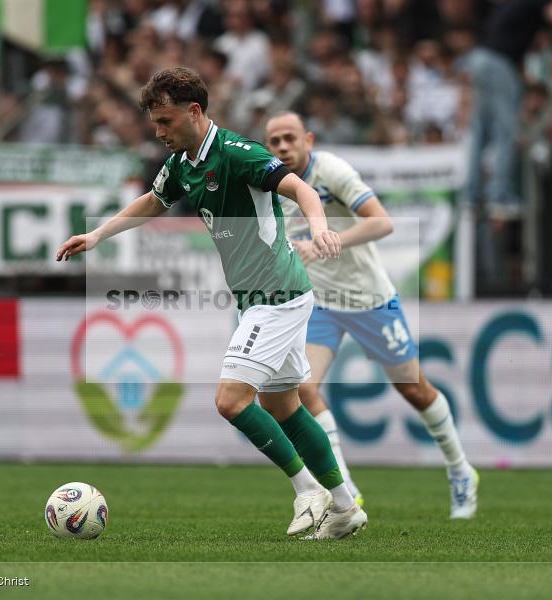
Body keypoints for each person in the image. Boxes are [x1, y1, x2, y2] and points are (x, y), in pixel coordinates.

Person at [57, 67, 367, 540]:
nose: (158, 132)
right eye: (154, 123)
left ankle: (308, 490)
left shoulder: (239, 154)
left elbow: (301, 188)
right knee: (285, 407)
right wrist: (98, 234)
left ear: (194, 111)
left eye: (165, 121)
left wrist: (321, 225)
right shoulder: (182, 162)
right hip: (257, 298)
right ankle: (345, 508)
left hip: (277, 295)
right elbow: (153, 202)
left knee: (230, 400)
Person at [264, 111, 479, 519]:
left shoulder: (332, 171)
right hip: (322, 304)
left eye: (289, 138)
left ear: (308, 139)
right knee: (304, 389)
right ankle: (345, 489)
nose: (282, 148)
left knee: (413, 389)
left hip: (369, 298)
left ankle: (460, 469)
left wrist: (328, 240)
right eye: (274, 142)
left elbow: (382, 223)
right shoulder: (272, 185)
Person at [462, 0, 552, 219]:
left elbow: (530, 39)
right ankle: (498, 196)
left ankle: (470, 196)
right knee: (505, 130)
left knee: (481, 130)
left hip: (478, 59)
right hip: (499, 62)